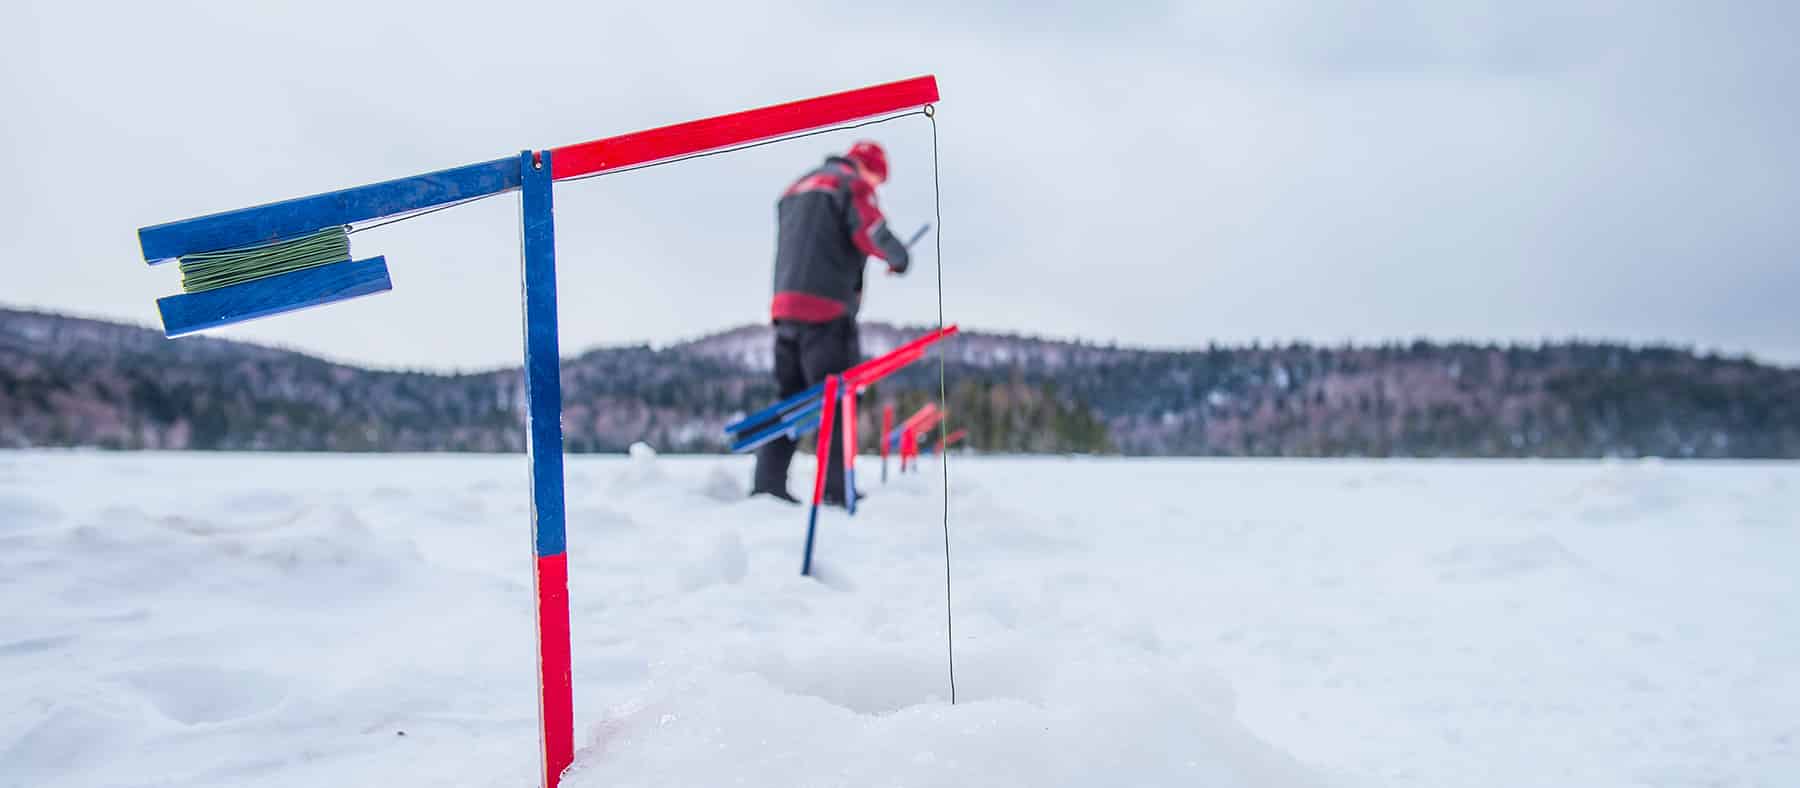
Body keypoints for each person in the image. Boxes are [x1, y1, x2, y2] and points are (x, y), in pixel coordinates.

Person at [750, 141, 911, 505]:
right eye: (877, 180)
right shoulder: (850, 185)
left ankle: (767, 483)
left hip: (784, 307)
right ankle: (837, 490)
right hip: (826, 311)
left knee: (789, 401)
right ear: (869, 168)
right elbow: (870, 230)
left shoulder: (798, 186)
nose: (876, 187)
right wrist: (898, 258)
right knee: (838, 399)